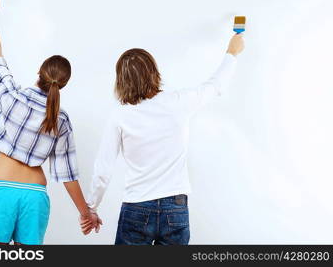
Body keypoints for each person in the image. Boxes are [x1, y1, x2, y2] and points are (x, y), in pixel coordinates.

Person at [85, 34, 244, 245]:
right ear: (154, 72)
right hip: (175, 208)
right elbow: (215, 85)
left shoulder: (120, 115)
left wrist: (91, 207)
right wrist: (232, 52)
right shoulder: (178, 102)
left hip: (136, 208)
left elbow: (103, 168)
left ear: (121, 81)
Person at [0, 0, 101, 245]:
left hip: (2, 190)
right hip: (35, 196)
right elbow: (68, 175)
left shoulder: (12, 96)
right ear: (62, 85)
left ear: (39, 73)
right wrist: (86, 213)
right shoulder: (60, 119)